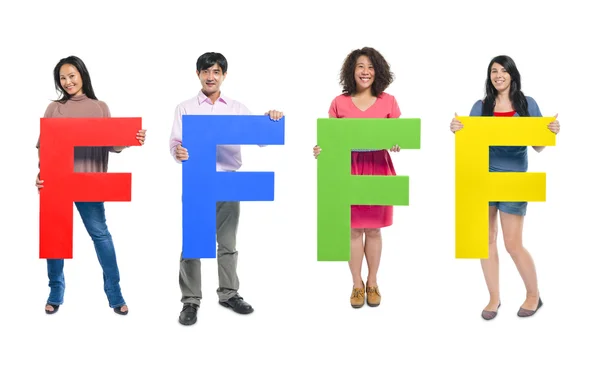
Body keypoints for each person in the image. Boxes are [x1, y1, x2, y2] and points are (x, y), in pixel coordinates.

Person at [170, 52, 283, 326]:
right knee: (193, 245)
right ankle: (190, 300)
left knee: (228, 243)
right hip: (198, 181)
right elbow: (175, 142)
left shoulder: (236, 107)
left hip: (230, 182)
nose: (211, 76)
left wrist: (271, 118)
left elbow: (261, 139)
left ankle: (229, 293)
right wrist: (179, 151)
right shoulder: (185, 107)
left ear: (224, 76)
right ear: (198, 74)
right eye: (206, 71)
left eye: (217, 72)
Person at [449, 55, 560, 320]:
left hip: (513, 179)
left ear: (512, 75)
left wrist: (549, 131)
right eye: (493, 71)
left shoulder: (526, 103)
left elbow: (539, 146)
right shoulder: (482, 105)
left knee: (512, 243)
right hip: (481, 178)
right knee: (485, 240)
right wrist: (457, 129)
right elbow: (470, 140)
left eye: (503, 71)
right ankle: (494, 298)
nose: (498, 75)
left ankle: (533, 295)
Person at [35, 56, 146, 315]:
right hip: (57, 183)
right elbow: (44, 147)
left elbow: (112, 144)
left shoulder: (99, 107)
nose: (68, 81)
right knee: (55, 239)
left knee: (100, 236)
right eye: (62, 78)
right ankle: (55, 292)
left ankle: (115, 294)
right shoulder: (54, 109)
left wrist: (131, 138)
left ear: (82, 75)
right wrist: (40, 174)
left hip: (89, 183)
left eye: (72, 75)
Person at [313, 47, 401, 309]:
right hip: (347, 168)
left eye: (371, 67)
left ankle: (372, 281)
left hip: (378, 167)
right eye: (361, 66)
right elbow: (329, 139)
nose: (366, 72)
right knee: (352, 229)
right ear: (352, 70)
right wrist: (321, 150)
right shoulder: (339, 103)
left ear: (379, 71)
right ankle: (356, 284)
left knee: (373, 229)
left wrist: (396, 142)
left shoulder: (389, 101)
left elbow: (398, 135)